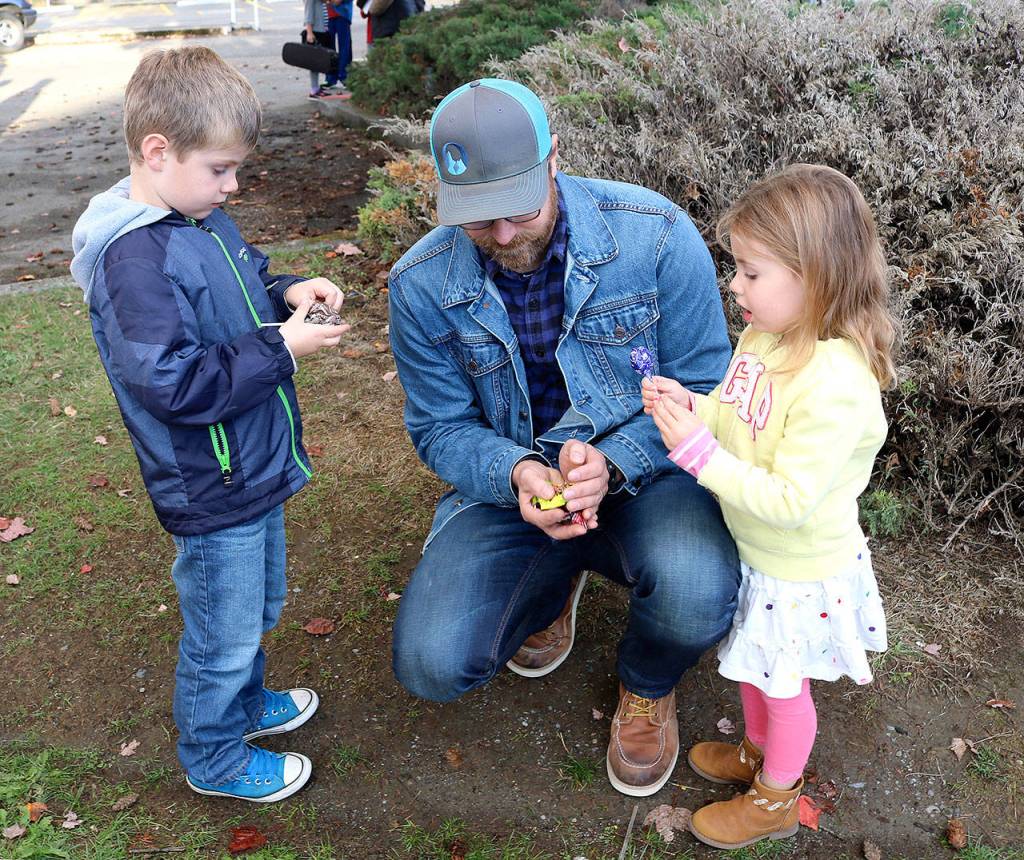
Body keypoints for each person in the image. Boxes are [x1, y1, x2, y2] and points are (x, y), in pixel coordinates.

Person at [388, 78, 740, 797]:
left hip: (652, 470)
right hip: (512, 490)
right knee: (431, 662)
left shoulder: (658, 234)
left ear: (554, 162)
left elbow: (707, 390)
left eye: (515, 210)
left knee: (699, 593)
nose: (503, 236)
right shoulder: (420, 283)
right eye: (478, 221)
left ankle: (646, 682)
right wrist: (515, 471)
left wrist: (613, 462)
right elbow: (439, 428)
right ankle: (553, 583)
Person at [70, 46, 350, 803]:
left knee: (257, 606)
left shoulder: (199, 216)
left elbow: (249, 275)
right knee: (221, 633)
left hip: (252, 463)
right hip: (210, 480)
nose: (234, 185)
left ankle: (245, 706)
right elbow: (175, 384)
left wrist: (290, 290)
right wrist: (282, 348)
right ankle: (214, 756)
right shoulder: (132, 261)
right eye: (221, 169)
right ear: (158, 152)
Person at [642, 164, 896, 849]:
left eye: (752, 272)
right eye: (738, 269)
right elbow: (735, 416)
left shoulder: (836, 382)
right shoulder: (763, 338)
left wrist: (697, 454)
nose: (735, 285)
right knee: (756, 670)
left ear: (813, 275)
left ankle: (777, 798)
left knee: (785, 690)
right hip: (757, 554)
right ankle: (758, 756)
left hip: (799, 567)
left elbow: (788, 499)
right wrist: (691, 407)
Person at [303, 0, 345, 100]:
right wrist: (309, 32)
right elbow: (308, 15)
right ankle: (314, 89)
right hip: (315, 31)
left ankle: (316, 88)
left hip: (321, 30)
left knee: (317, 62)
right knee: (314, 62)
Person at [324, 0, 354, 96]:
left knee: (345, 47)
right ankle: (330, 77)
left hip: (342, 13)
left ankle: (345, 76)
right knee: (328, 48)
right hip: (327, 15)